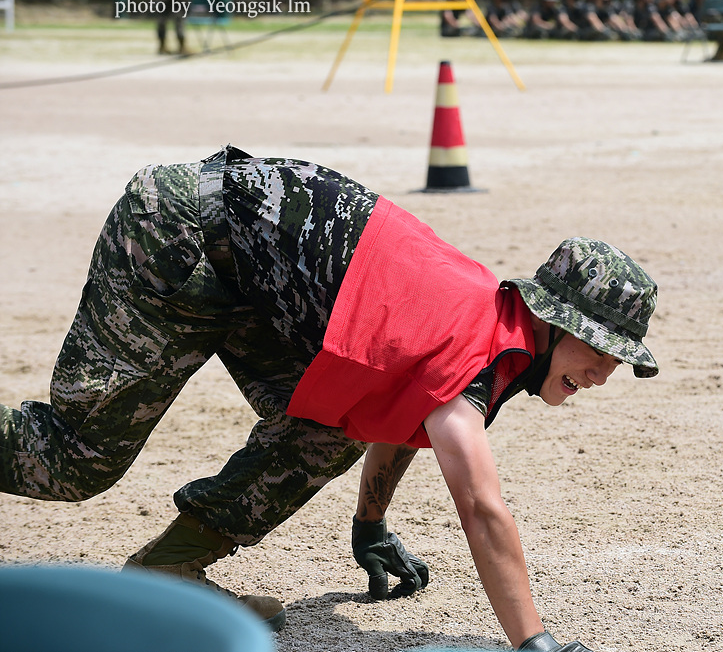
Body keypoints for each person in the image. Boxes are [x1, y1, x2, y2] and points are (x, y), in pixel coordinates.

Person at [0, 146, 659, 651]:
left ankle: (169, 567)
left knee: (323, 430)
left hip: (238, 271)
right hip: (177, 235)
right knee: (73, 458)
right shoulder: (477, 347)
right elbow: (483, 510)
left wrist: (369, 524)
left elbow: (403, 416)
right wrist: (535, 643)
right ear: (552, 321)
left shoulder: (490, 328)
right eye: (597, 347)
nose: (605, 370)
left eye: (617, 358)